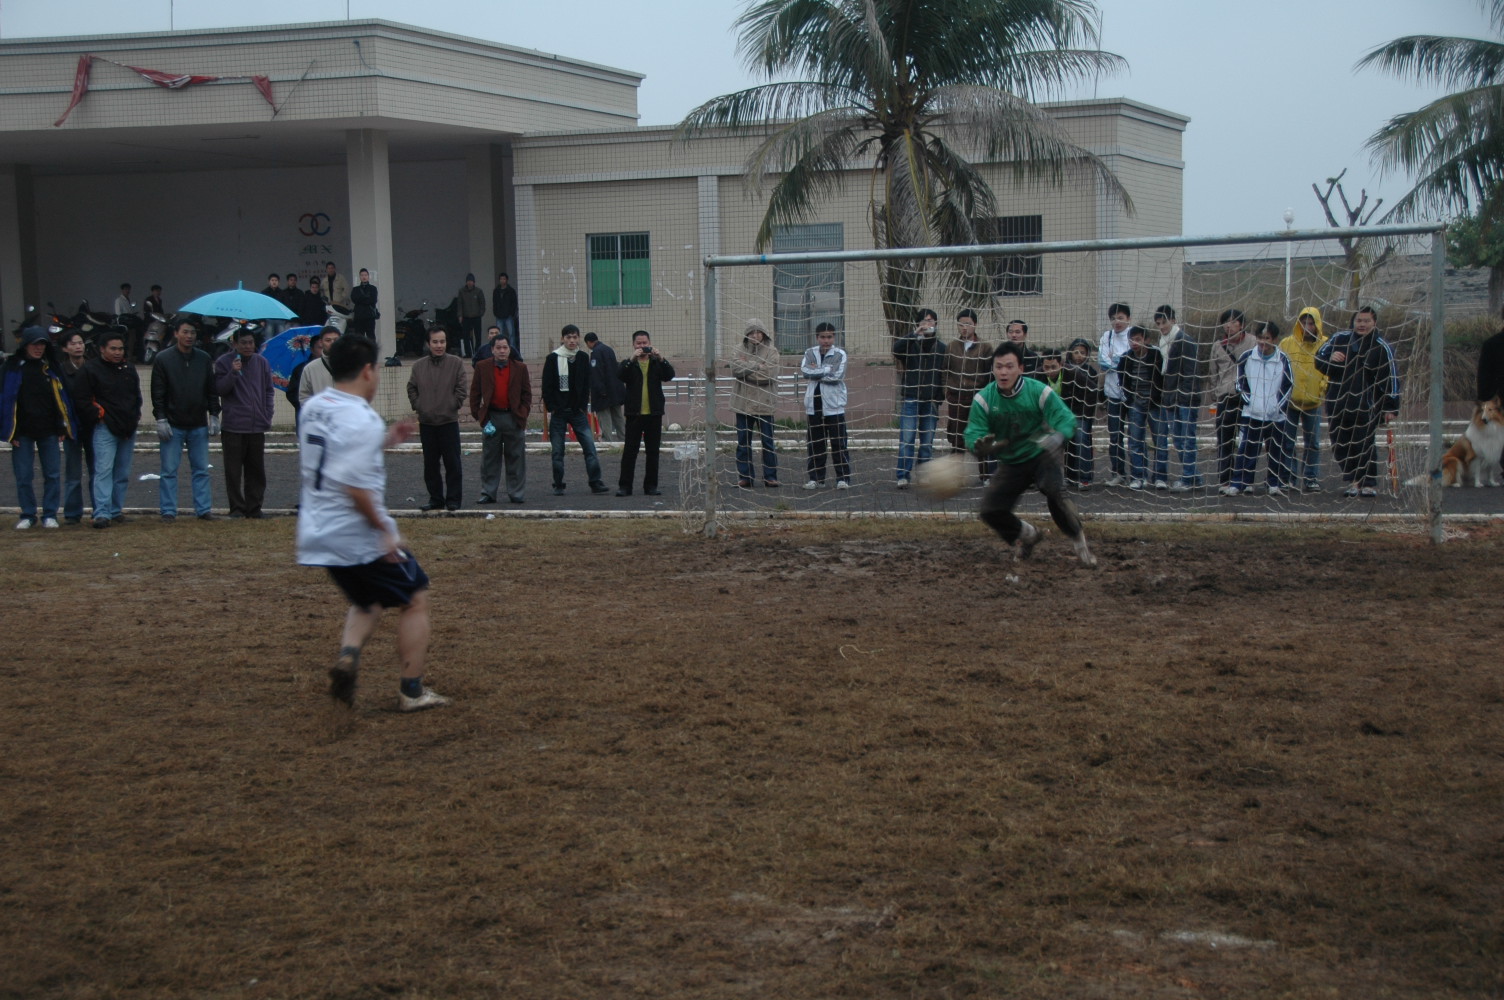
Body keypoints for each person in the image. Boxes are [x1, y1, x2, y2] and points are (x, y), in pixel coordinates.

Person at [297, 333, 450, 713]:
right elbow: (354, 488)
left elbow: (336, 453)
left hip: (318, 532)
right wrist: (385, 534)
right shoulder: (360, 418)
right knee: (415, 596)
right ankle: (412, 691)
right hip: (356, 536)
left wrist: (384, 440)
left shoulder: (314, 407)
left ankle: (348, 657)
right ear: (367, 370)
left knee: (367, 599)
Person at [966, 342, 1096, 567]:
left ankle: (1080, 544)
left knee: (1056, 493)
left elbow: (1065, 418)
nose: (1003, 372)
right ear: (993, 369)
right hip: (1011, 461)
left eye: (1009, 366)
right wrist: (979, 445)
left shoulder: (1038, 391)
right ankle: (1027, 535)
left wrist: (1058, 437)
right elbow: (973, 432)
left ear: (1021, 369)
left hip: (1041, 454)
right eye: (999, 367)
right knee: (989, 511)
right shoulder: (983, 399)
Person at [1315, 306, 1400, 498]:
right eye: (1359, 321)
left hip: (1367, 405)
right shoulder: (1339, 339)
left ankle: (1368, 483)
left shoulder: (1382, 346)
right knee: (1340, 444)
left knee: (1364, 444)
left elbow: (1392, 378)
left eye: (1366, 321)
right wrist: (1331, 358)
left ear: (1374, 323)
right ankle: (1353, 480)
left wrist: (1391, 406)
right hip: (1338, 402)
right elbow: (1319, 360)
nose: (1362, 324)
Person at [1, 328, 77, 529]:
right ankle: (28, 514)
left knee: (52, 474)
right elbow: (5, 400)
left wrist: (62, 426)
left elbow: (62, 399)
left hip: (49, 430)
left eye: (42, 344)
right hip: (22, 432)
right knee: (24, 476)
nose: (38, 348)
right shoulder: (12, 367)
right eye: (34, 344)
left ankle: (50, 514)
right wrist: (10, 431)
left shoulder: (51, 367)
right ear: (25, 345)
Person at [152, 318, 220, 522]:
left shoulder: (204, 358)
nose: (189, 336)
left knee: (201, 470)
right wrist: (161, 418)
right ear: (176, 333)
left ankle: (203, 509)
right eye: (185, 332)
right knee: (169, 470)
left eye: (192, 332)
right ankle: (168, 510)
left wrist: (214, 413)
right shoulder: (163, 359)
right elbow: (158, 391)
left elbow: (211, 389)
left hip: (198, 423)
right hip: (172, 423)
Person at [78, 330, 141, 528]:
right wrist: (100, 416)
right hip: (104, 427)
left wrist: (135, 416)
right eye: (113, 349)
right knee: (103, 471)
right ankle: (102, 513)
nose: (117, 352)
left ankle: (115, 510)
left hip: (128, 427)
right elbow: (82, 400)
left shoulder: (128, 368)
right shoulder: (90, 369)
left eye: (120, 349)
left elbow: (136, 396)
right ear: (102, 349)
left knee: (122, 472)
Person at [1224, 321, 1294, 497]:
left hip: (1275, 416)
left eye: (1267, 338)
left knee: (1276, 450)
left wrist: (1276, 406)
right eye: (1260, 338)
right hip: (1252, 414)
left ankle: (1274, 483)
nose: (1263, 342)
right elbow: (1240, 383)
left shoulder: (1283, 359)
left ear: (1275, 339)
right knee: (1247, 450)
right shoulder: (1247, 357)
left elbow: (1288, 385)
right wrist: (1251, 402)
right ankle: (1241, 483)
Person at [213, 329, 276, 518]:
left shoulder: (261, 362)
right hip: (233, 426)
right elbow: (220, 389)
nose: (248, 346)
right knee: (233, 471)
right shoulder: (223, 362)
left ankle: (254, 507)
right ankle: (237, 508)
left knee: (256, 470)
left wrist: (267, 413)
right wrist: (233, 373)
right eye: (243, 343)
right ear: (234, 344)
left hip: (257, 425)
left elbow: (269, 390)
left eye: (251, 342)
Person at [544, 324, 611, 497]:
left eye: (575, 337)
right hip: (559, 412)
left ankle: (595, 482)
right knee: (557, 451)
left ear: (579, 338)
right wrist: (553, 408)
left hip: (577, 412)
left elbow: (586, 383)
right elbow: (547, 386)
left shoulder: (582, 357)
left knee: (590, 447)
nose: (572, 341)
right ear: (562, 339)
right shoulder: (553, 358)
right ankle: (558, 484)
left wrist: (582, 407)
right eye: (568, 337)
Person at [406, 327, 467, 512]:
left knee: (453, 464)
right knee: (430, 465)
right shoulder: (419, 366)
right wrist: (419, 405)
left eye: (442, 341)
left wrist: (452, 404)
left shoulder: (456, 363)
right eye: (435, 342)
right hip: (427, 423)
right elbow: (411, 388)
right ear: (428, 344)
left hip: (448, 422)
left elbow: (461, 389)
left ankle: (453, 500)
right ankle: (435, 499)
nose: (439, 345)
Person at [469, 335, 531, 504]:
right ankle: (488, 492)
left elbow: (526, 394)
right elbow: (475, 393)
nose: (502, 351)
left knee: (516, 457)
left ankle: (516, 493)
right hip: (492, 417)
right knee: (489, 458)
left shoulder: (520, 368)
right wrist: (480, 416)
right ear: (492, 350)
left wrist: (522, 413)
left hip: (513, 417)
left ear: (510, 349)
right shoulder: (482, 367)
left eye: (505, 347)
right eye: (498, 348)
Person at [616, 329, 676, 496]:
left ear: (650, 344)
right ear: (633, 345)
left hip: (654, 413)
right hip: (634, 414)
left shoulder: (656, 363)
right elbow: (620, 375)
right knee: (630, 451)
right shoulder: (629, 363)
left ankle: (651, 486)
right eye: (639, 344)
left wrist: (661, 358)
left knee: (653, 452)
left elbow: (669, 375)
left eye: (645, 343)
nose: (642, 346)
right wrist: (632, 359)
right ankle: (625, 486)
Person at [893, 307, 945, 488]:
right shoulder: (910, 345)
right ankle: (903, 475)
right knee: (907, 439)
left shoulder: (942, 348)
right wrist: (914, 334)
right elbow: (896, 349)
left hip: (930, 401)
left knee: (927, 441)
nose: (927, 324)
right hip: (911, 398)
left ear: (936, 323)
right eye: (924, 321)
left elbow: (943, 375)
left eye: (930, 320)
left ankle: (924, 475)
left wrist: (939, 397)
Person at [1153, 305, 1203, 492]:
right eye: (1158, 324)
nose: (1161, 327)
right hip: (1170, 397)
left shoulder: (1184, 340)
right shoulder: (1162, 341)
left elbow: (1191, 372)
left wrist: (1184, 396)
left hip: (1185, 398)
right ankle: (1194, 476)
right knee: (1178, 440)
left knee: (1187, 439)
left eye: (1164, 322)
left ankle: (1188, 478)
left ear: (1173, 320)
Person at [1280, 306, 1329, 492]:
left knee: (1313, 443)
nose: (1307, 327)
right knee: (1287, 442)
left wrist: (1322, 389)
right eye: (1304, 323)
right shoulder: (1287, 343)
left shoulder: (1325, 344)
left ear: (1317, 325)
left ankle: (1310, 477)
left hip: (1313, 402)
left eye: (1311, 323)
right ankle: (1289, 477)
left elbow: (1329, 371)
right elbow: (1279, 368)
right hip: (1290, 402)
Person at [729, 318, 781, 487]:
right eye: (751, 332)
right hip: (742, 404)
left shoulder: (772, 351)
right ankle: (745, 476)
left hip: (765, 403)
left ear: (764, 333)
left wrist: (747, 367)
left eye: (758, 332)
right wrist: (758, 365)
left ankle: (770, 476)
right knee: (743, 441)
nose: (755, 335)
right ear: (747, 334)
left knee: (767, 442)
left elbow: (768, 375)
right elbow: (735, 369)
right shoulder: (738, 349)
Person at [1208, 308, 1257, 488]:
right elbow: (1213, 373)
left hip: (1247, 397)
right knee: (1225, 441)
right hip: (1225, 397)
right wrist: (1217, 393)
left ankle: (1245, 479)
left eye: (1233, 321)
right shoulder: (1217, 346)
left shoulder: (1253, 342)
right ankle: (1225, 480)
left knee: (1249, 440)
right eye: (1225, 322)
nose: (1228, 326)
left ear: (1241, 324)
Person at [944, 309, 994, 484]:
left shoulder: (986, 347)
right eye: (961, 324)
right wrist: (947, 392)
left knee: (980, 437)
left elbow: (989, 374)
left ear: (975, 325)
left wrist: (986, 396)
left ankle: (985, 475)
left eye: (968, 324)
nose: (964, 328)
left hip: (977, 398)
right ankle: (956, 475)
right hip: (956, 398)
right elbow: (945, 371)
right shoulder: (951, 346)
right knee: (957, 438)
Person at [801, 322, 851, 489]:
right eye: (822, 337)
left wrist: (817, 371)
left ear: (834, 337)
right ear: (817, 338)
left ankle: (842, 478)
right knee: (815, 444)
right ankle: (816, 479)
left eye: (829, 337)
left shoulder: (840, 354)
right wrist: (826, 369)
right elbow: (805, 371)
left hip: (834, 406)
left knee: (838, 444)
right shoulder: (809, 353)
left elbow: (837, 376)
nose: (826, 340)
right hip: (814, 405)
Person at [1117, 326, 1163, 490]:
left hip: (1155, 404)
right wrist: (1129, 399)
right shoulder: (1126, 358)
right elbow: (1122, 381)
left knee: (1160, 440)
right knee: (1135, 441)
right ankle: (1138, 476)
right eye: (1131, 340)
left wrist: (1157, 396)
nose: (1134, 343)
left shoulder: (1157, 355)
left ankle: (1160, 477)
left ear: (1146, 340)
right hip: (1136, 403)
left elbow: (1162, 378)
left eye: (1138, 339)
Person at [57, 331, 94, 524]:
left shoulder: (93, 367)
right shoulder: (59, 371)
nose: (78, 346)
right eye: (73, 343)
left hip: (93, 424)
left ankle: (100, 509)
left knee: (97, 471)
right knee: (73, 472)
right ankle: (72, 513)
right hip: (70, 426)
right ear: (65, 348)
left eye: (80, 343)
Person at [1097, 303, 1134, 486]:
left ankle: (1138, 475)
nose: (1116, 322)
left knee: (1135, 435)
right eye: (1113, 318)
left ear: (1128, 319)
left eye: (1120, 318)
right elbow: (1103, 362)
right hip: (1112, 393)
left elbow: (1132, 360)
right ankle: (1118, 473)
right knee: (1115, 436)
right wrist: (1121, 361)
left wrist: (1117, 359)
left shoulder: (1134, 335)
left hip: (1133, 393)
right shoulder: (1107, 336)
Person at [584, 332, 625, 441]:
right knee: (618, 416)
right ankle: (624, 438)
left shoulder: (595, 353)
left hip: (603, 392)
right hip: (615, 390)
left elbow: (596, 372)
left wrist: (600, 390)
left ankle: (608, 440)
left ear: (588, 342)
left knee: (604, 416)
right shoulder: (609, 349)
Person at [296, 326, 343, 411]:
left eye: (336, 340)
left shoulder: (352, 365)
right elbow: (304, 397)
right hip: (321, 416)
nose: (332, 343)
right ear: (321, 342)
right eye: (328, 340)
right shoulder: (310, 368)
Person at [456, 273, 486, 358]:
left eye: (471, 281)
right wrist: (460, 315)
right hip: (466, 317)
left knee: (478, 336)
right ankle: (468, 353)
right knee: (466, 336)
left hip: (476, 317)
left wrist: (481, 313)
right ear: (466, 282)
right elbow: (459, 304)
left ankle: (478, 353)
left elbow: (482, 303)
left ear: (474, 282)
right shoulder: (461, 291)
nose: (470, 283)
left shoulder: (478, 291)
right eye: (468, 281)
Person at [493, 272, 519, 355]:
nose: (502, 280)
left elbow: (514, 303)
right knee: (499, 335)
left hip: (508, 316)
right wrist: (496, 312)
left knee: (511, 334)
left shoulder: (511, 291)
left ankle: (512, 352)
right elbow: (494, 303)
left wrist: (511, 313)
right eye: (501, 279)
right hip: (499, 316)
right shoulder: (496, 291)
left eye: (504, 279)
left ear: (507, 280)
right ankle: (500, 350)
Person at [349, 268, 378, 337]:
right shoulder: (355, 289)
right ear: (360, 277)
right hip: (359, 317)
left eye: (365, 275)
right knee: (359, 337)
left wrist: (361, 299)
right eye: (362, 275)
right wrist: (366, 299)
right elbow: (354, 299)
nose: (364, 277)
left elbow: (373, 300)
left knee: (371, 336)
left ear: (368, 276)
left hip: (369, 316)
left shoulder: (373, 288)